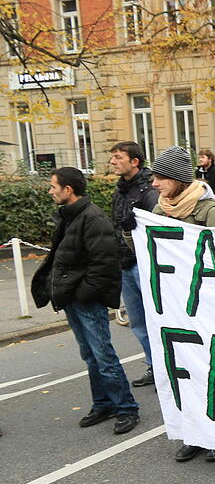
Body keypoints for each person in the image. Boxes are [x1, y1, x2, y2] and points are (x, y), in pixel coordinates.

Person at [31, 167, 140, 435]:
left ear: (68, 190)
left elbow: (104, 265)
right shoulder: (69, 216)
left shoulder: (93, 219)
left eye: (53, 186)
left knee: (103, 356)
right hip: (73, 297)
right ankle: (103, 403)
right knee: (90, 355)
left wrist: (82, 294)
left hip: (85, 300)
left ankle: (127, 408)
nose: (50, 191)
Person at [149, 146, 215, 461]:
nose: (155, 183)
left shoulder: (210, 210)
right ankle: (195, 432)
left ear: (177, 179)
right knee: (185, 371)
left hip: (208, 305)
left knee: (213, 370)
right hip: (176, 305)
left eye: (161, 177)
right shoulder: (159, 211)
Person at [108, 141, 158, 389]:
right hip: (125, 264)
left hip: (144, 265)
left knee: (156, 319)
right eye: (113, 157)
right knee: (137, 321)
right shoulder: (120, 191)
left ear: (134, 161)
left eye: (119, 157)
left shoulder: (150, 190)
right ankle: (153, 365)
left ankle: (166, 367)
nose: (113, 162)